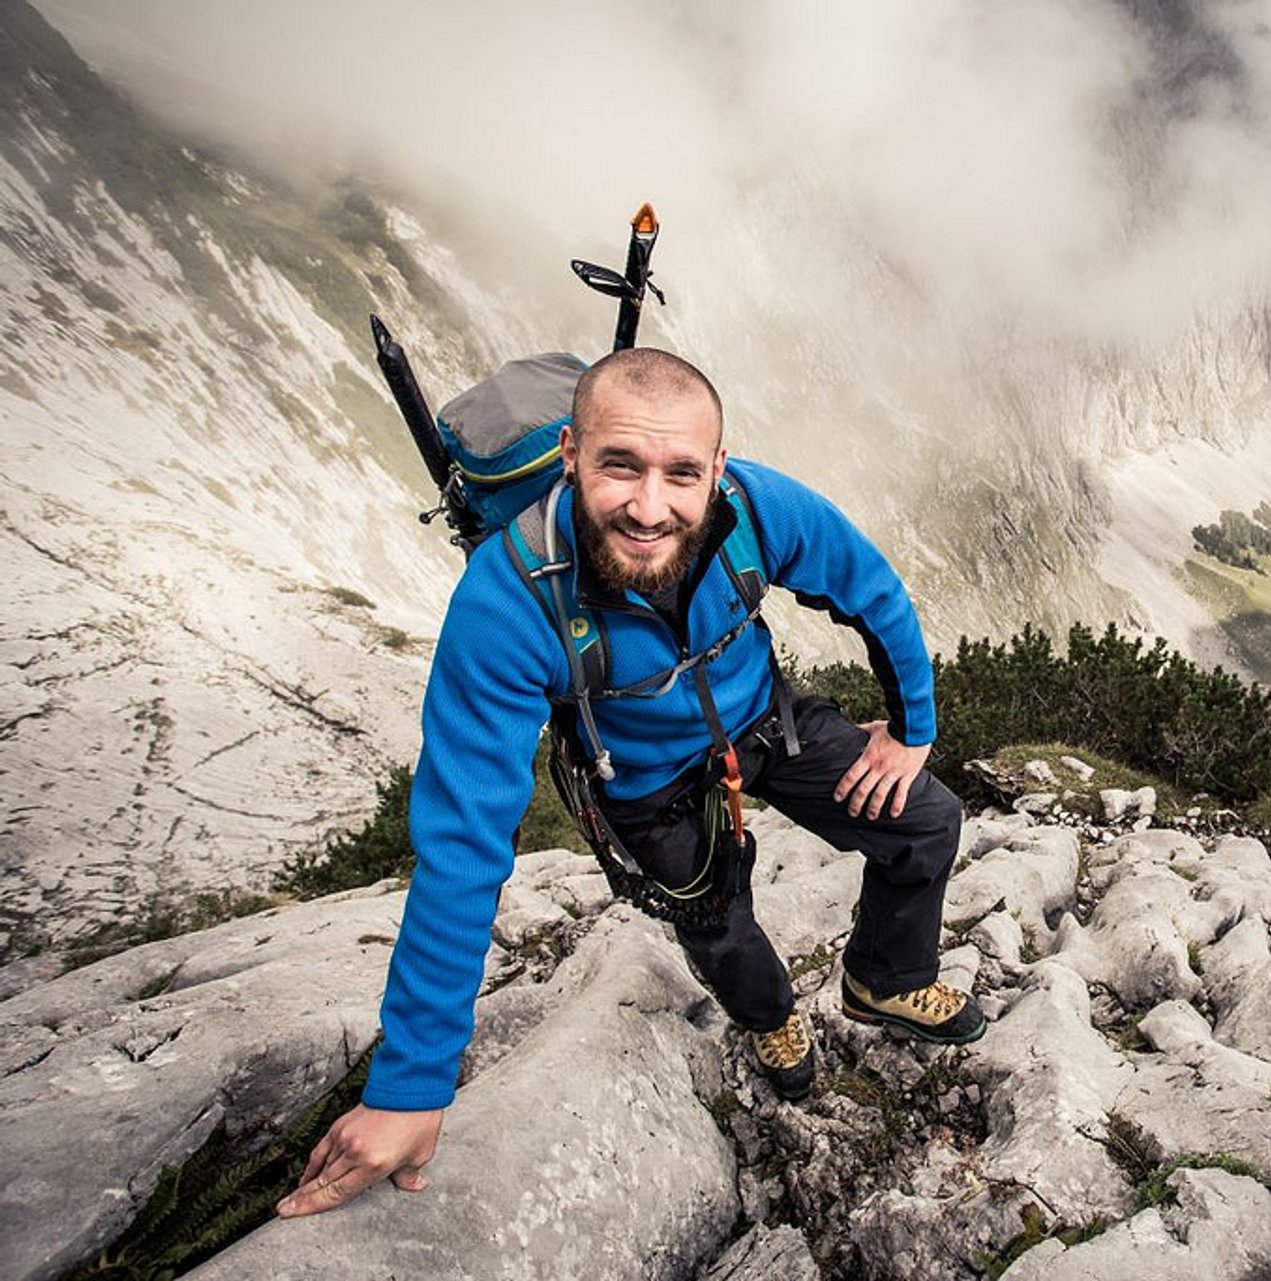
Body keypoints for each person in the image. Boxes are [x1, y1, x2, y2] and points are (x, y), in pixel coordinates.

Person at [277, 347, 982, 1218]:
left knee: (924, 819)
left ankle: (885, 975)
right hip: (640, 781)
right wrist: (410, 1086)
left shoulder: (757, 507)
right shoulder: (508, 600)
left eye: (682, 472)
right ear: (571, 454)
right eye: (621, 465)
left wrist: (914, 730)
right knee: (721, 925)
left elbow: (870, 587)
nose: (651, 507)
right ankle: (767, 1020)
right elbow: (462, 844)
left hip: (759, 719)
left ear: (717, 469)